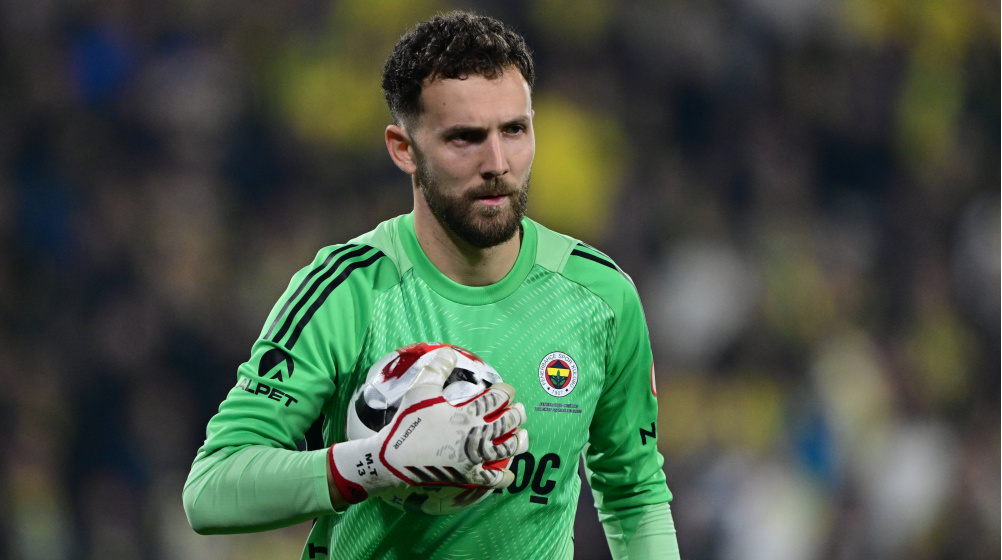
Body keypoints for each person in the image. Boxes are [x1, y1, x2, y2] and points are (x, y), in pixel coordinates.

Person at [183, 11, 680, 559]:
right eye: (465, 138)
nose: (498, 163)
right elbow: (211, 491)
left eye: (514, 130)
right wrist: (373, 464)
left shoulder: (600, 297)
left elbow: (635, 494)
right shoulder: (346, 292)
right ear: (404, 148)